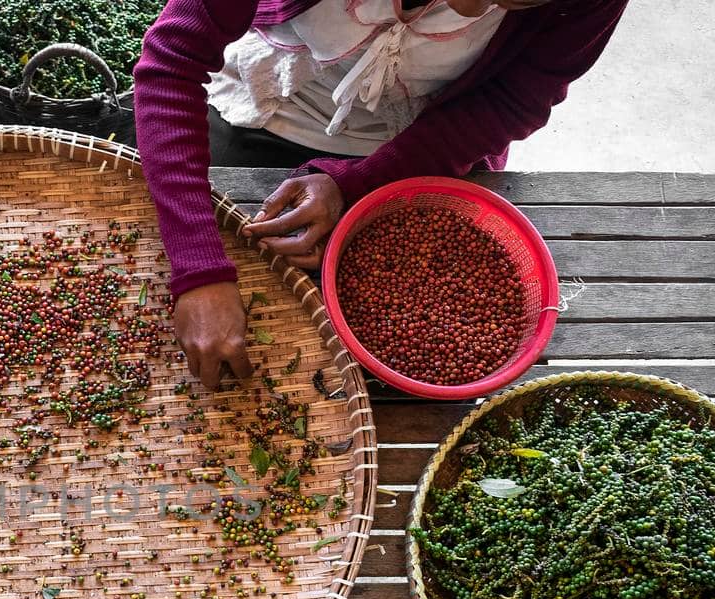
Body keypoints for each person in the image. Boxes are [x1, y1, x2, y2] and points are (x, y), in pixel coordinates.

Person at [134, 0, 628, 389]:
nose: (476, 11)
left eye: (513, 1)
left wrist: (356, 183)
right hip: (273, 100)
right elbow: (171, 64)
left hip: (423, 142)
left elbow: (510, 101)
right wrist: (198, 268)